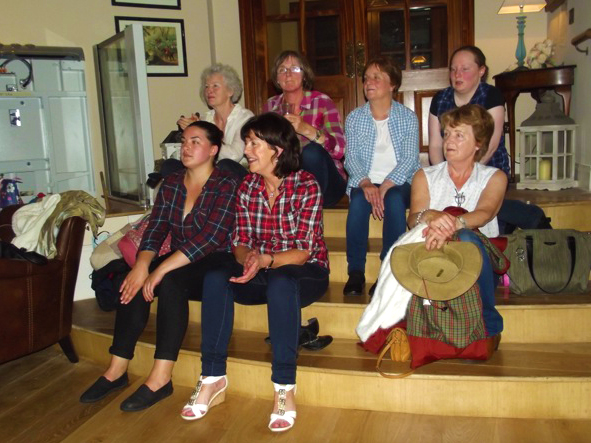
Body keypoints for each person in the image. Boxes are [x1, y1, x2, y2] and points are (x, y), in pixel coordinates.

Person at [180, 113, 329, 433]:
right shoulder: (247, 186)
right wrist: (249, 258)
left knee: (280, 281)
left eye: (253, 143)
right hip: (262, 267)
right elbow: (240, 240)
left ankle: (284, 387)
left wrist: (264, 260)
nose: (246, 149)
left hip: (306, 272)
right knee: (216, 277)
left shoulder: (306, 184)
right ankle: (213, 377)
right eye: (247, 142)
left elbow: (303, 251)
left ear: (276, 149)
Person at [79, 121, 238, 411]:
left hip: (217, 258)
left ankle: (161, 377)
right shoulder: (174, 182)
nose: (186, 147)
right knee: (132, 278)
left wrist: (160, 269)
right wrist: (142, 265)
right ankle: (116, 369)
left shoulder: (226, 184)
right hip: (180, 257)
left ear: (213, 149)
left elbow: (211, 237)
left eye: (195, 141)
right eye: (184, 141)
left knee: (172, 281)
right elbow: (156, 228)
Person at [428, 45, 550, 234]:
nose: (457, 74)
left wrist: (470, 178)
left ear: (481, 71)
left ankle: (529, 218)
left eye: (464, 69)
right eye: (453, 69)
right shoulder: (440, 99)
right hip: (452, 170)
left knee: (481, 206)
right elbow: (436, 145)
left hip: (487, 166)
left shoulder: (491, 95)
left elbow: (490, 145)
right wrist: (442, 176)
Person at [409, 103, 506, 338]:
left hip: (479, 265)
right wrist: (430, 215)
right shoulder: (425, 176)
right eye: (447, 134)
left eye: (459, 135)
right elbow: (413, 220)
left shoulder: (494, 177)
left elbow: (485, 212)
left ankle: (488, 322)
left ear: (478, 143)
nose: (449, 140)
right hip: (436, 258)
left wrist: (451, 224)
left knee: (465, 237)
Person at [343, 56, 419, 296]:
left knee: (395, 199)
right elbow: (351, 158)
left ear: (392, 84)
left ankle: (387, 271)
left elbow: (409, 159)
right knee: (357, 200)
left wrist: (385, 185)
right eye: (366, 78)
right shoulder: (355, 118)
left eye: (377, 77)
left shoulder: (407, 117)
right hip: (364, 180)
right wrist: (366, 183)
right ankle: (355, 272)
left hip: (400, 180)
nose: (369, 82)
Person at [264, 50, 346, 207]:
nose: (288, 74)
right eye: (282, 70)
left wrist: (306, 129)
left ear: (305, 75)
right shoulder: (270, 106)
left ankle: (307, 214)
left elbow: (340, 150)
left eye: (294, 68)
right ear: (277, 79)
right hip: (288, 182)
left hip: (328, 184)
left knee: (311, 152)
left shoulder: (322, 102)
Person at [177, 63, 254, 179]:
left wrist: (205, 136)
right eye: (207, 87)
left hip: (237, 173)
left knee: (224, 165)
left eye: (215, 86)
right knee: (171, 165)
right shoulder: (205, 118)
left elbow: (234, 155)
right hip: (209, 173)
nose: (209, 91)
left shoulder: (245, 117)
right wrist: (193, 130)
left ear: (230, 91)